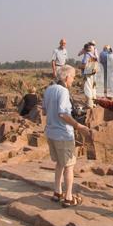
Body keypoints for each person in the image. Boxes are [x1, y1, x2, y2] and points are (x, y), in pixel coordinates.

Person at [42, 65, 91, 208]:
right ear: (67, 77)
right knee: (69, 165)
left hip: (51, 132)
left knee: (59, 163)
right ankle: (69, 197)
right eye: (73, 77)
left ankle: (58, 192)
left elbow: (45, 111)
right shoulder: (63, 91)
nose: (73, 80)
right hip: (63, 134)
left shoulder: (49, 89)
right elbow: (63, 114)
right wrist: (79, 126)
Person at [78, 44, 97, 109]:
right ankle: (93, 103)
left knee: (87, 89)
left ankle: (89, 104)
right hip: (93, 73)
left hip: (87, 74)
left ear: (84, 50)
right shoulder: (93, 55)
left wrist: (79, 67)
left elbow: (85, 65)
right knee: (92, 89)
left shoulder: (86, 55)